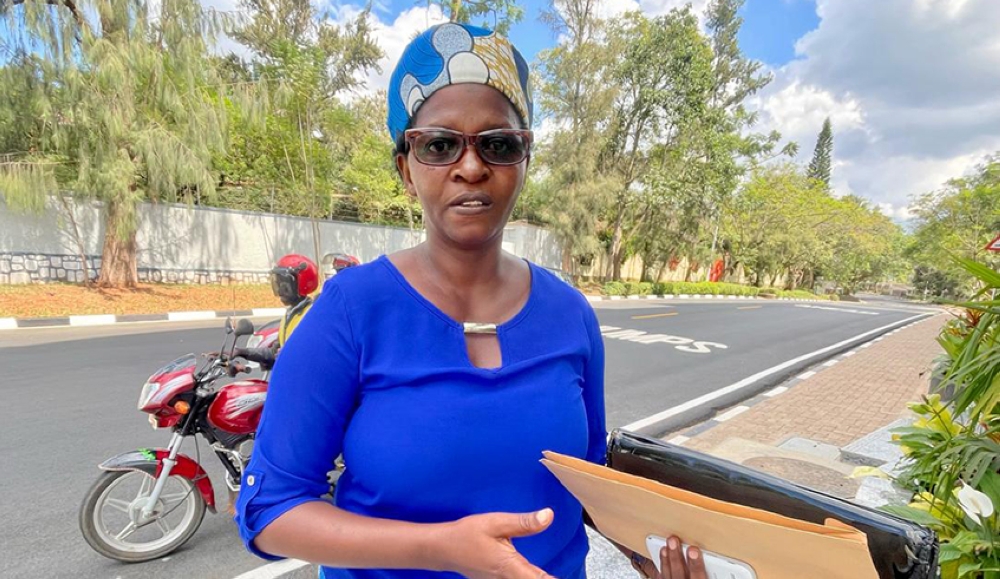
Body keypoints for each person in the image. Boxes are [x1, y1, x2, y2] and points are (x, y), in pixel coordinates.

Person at [235, 22, 706, 579]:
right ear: (406, 169)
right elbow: (270, 511)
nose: (471, 166)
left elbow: (590, 481)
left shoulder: (570, 314)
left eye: (498, 144)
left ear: (523, 163)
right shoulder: (349, 311)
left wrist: (650, 553)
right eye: (439, 144)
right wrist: (442, 548)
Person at [234, 253, 319, 371]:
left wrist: (286, 356)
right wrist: (241, 352)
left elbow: (312, 356)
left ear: (300, 284)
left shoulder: (311, 316)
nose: (280, 291)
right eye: (278, 284)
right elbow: (273, 352)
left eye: (285, 286)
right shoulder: (290, 315)